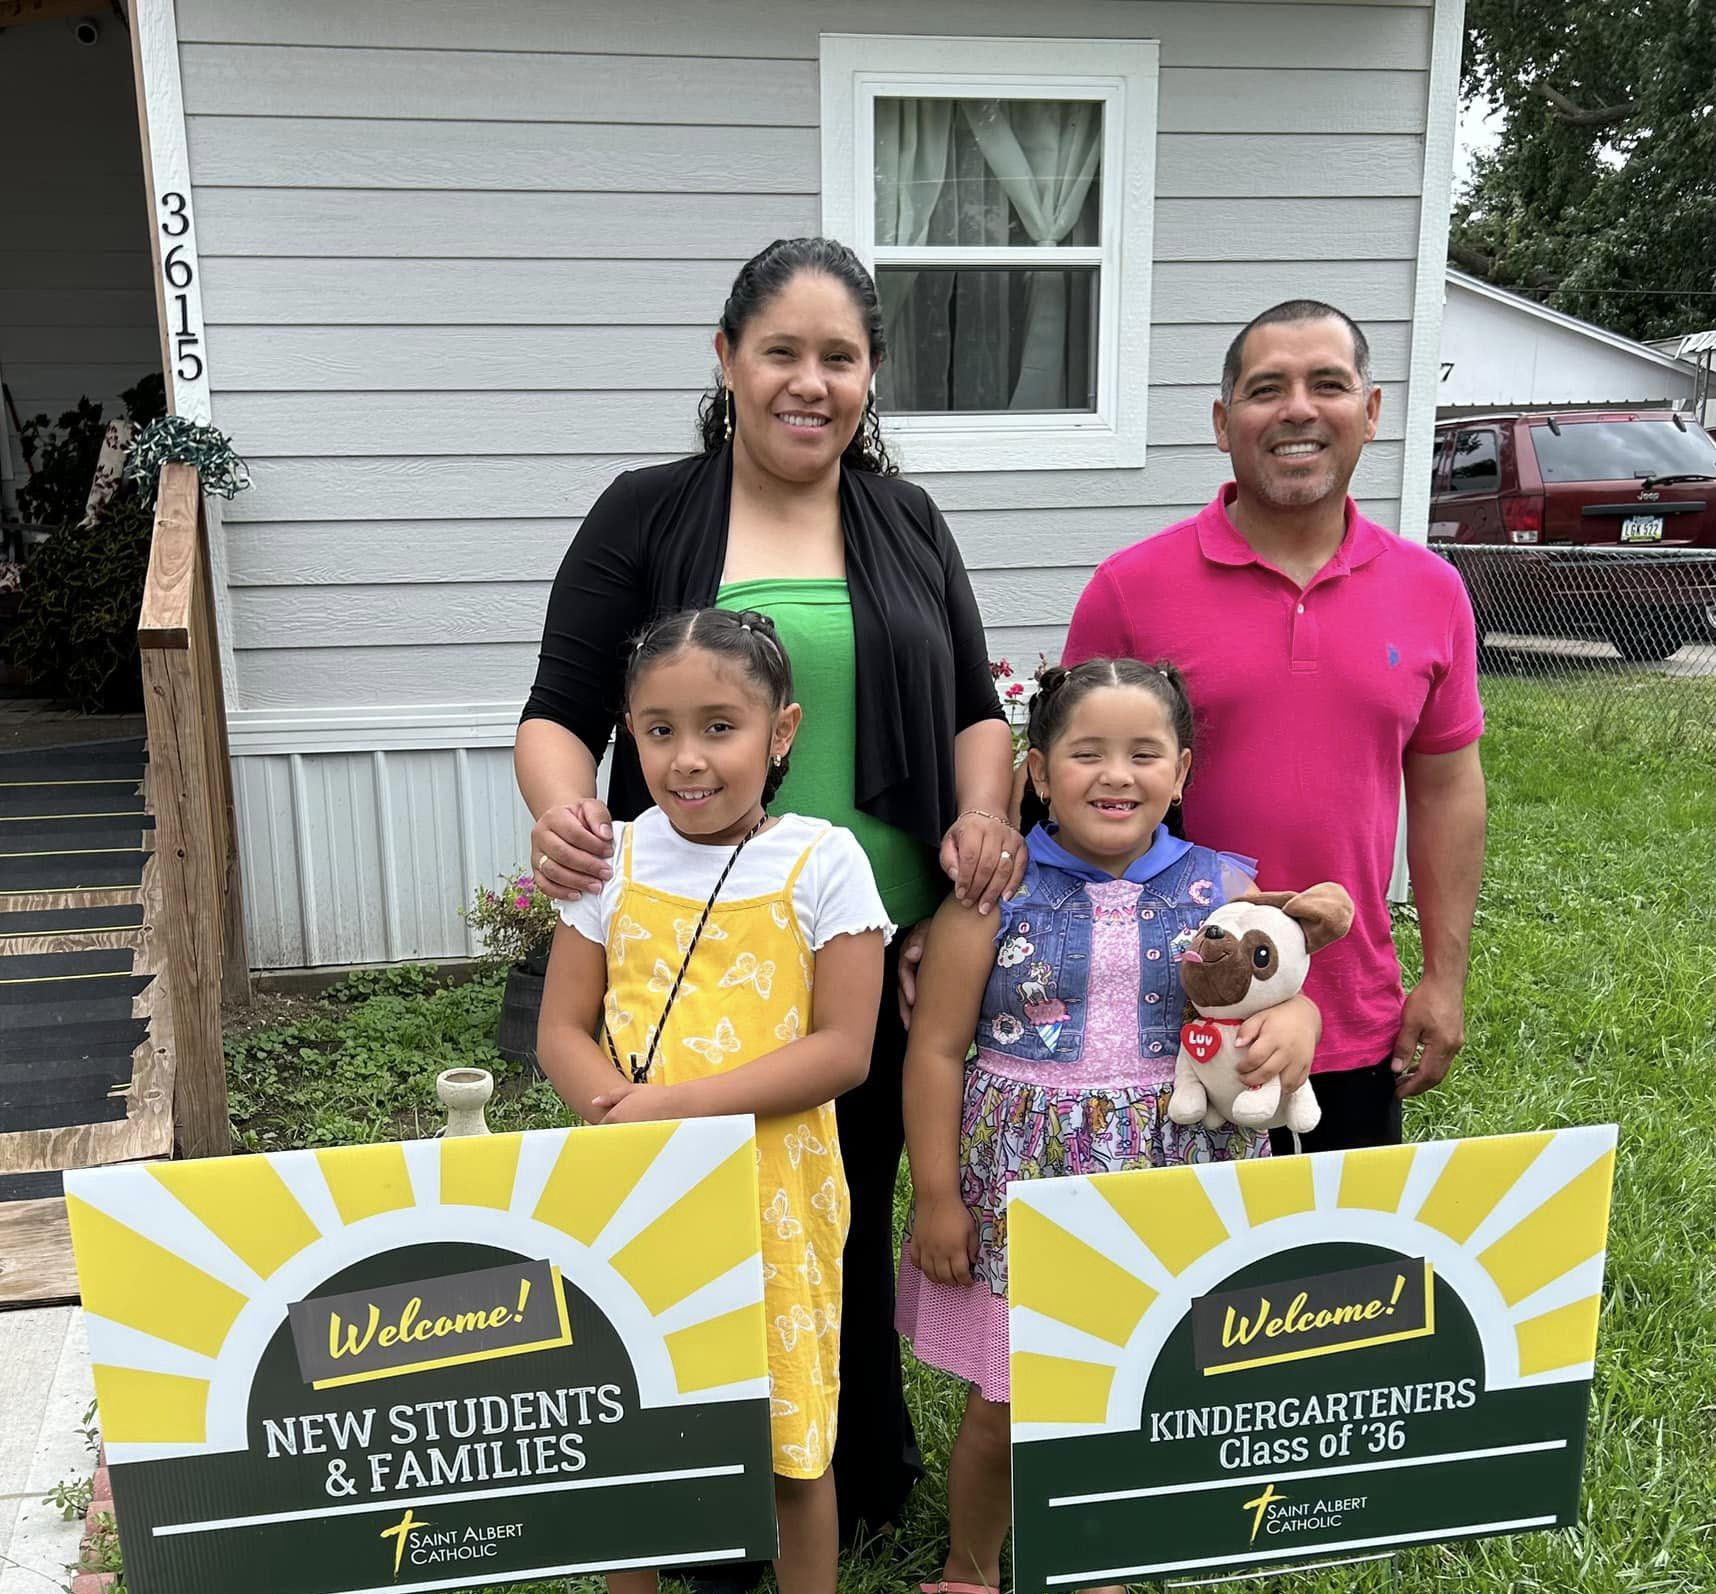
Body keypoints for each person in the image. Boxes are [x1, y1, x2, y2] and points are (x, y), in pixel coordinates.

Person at [516, 237, 1022, 1537]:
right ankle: (703, 1485)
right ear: (728, 358)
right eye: (782, 352)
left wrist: (979, 815)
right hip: (694, 955)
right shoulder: (647, 511)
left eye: (839, 358)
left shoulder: (904, 518)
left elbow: (974, 710)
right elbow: (559, 710)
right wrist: (564, 811)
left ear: (871, 377)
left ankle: (844, 1470)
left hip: (875, 942)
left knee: (834, 1214)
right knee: (695, 1227)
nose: (811, 382)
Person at [895, 658, 1324, 1594]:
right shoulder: (987, 896)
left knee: (1139, 1392)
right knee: (1002, 1403)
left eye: (1143, 752)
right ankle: (971, 1570)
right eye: (1086, 753)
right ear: (1040, 772)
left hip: (1174, 1183)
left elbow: (1282, 989)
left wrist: (1299, 1022)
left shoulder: (1230, 890)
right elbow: (933, 1052)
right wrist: (935, 1196)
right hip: (1022, 1188)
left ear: (1183, 771)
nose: (1115, 775)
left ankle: (1100, 1562)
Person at [1064, 300, 1487, 1153]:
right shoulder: (1130, 591)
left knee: (1334, 1280)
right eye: (1267, 390)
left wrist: (1444, 979)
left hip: (1351, 1018)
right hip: (1164, 1022)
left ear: (1370, 413)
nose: (1298, 409)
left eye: (1327, 384)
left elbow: (1446, 790)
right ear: (1224, 424)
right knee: (1164, 1280)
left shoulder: (1431, 592)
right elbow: (1066, 803)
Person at [536, 608, 890, 1594]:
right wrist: (617, 1110)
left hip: (777, 1194)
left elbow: (843, 1049)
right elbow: (563, 1027)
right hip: (637, 1188)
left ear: (782, 730)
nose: (688, 758)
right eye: (659, 730)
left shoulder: (824, 862)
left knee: (789, 1435)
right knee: (638, 1420)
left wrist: (673, 1109)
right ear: (630, 732)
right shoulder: (616, 862)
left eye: (719, 727)